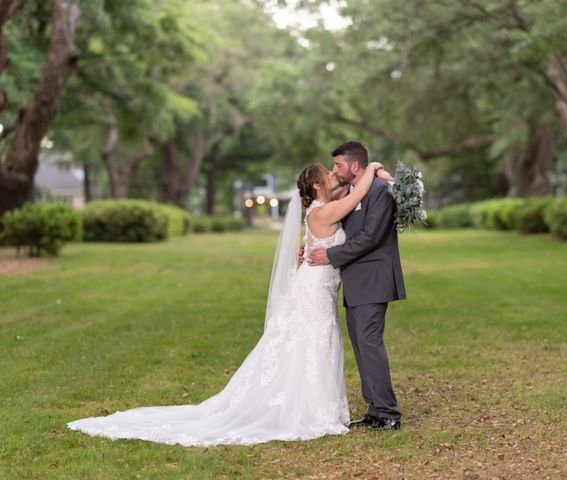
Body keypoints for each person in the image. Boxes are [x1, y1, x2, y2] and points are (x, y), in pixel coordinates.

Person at [67, 160, 390, 447]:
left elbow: (342, 202)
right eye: (327, 173)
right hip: (314, 290)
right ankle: (310, 409)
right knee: (313, 344)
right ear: (317, 186)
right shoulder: (325, 211)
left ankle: (316, 405)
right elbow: (358, 195)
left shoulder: (318, 210)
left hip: (316, 285)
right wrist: (373, 166)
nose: (333, 174)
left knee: (311, 344)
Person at [308, 140, 406, 430]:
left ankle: (389, 413)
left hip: (373, 279)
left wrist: (330, 254)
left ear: (354, 165)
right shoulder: (353, 191)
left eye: (338, 165)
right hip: (354, 280)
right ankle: (375, 409)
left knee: (369, 344)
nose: (335, 171)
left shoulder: (379, 191)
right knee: (362, 346)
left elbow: (371, 237)